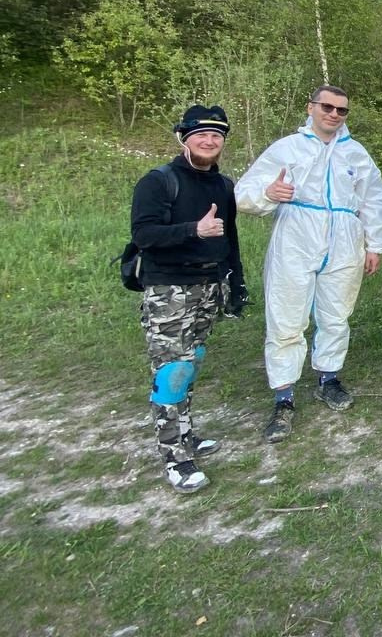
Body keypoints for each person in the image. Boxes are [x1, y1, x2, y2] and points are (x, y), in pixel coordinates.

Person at [236, 85, 382, 443]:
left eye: (341, 110)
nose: (334, 114)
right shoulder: (287, 148)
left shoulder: (356, 154)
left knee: (336, 313)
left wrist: (375, 244)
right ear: (311, 108)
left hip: (345, 238)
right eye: (327, 107)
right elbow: (243, 192)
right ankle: (283, 396)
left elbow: (374, 199)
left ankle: (328, 377)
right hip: (296, 237)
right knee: (287, 315)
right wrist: (267, 194)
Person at [131, 105, 243, 494]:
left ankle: (186, 434)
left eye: (217, 136)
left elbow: (230, 240)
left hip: (208, 286)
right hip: (168, 290)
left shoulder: (223, 185)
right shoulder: (158, 181)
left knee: (190, 362)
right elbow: (144, 235)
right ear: (184, 137)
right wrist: (194, 229)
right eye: (201, 135)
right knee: (171, 373)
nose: (210, 141)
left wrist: (235, 283)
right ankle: (175, 458)